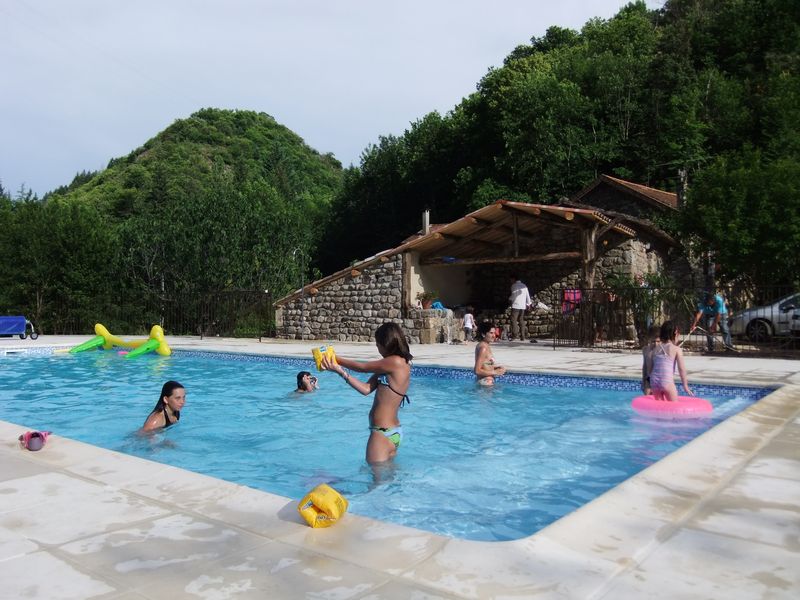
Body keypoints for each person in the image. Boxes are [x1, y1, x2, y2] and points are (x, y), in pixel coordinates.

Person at [319, 322, 412, 464]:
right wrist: (340, 372)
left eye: (377, 344)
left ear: (385, 343)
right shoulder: (390, 367)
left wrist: (335, 359)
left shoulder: (395, 362)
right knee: (386, 480)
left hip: (382, 433)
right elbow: (366, 389)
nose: (377, 347)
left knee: (375, 483)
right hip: (391, 432)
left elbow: (363, 367)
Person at [647, 321, 692, 402]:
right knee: (674, 408)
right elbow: (682, 369)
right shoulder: (676, 349)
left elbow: (650, 369)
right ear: (675, 333)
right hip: (666, 381)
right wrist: (685, 386)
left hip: (654, 382)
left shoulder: (654, 350)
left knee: (660, 409)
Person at [473, 321, 507, 386]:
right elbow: (477, 370)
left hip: (486, 383)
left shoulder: (485, 345)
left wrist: (496, 367)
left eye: (494, 333)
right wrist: (495, 372)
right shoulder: (483, 348)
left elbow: (484, 364)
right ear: (483, 334)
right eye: (491, 333)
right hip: (485, 383)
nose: (494, 335)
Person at [509, 275, 532, 340]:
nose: (510, 281)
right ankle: (523, 336)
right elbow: (528, 296)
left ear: (513, 279)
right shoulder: (524, 286)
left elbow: (513, 295)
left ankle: (515, 335)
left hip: (516, 305)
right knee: (521, 320)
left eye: (511, 279)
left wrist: (509, 299)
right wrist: (528, 304)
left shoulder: (514, 286)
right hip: (522, 306)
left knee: (513, 320)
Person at [641, 325, 660, 394]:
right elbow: (644, 367)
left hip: (659, 380)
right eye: (653, 341)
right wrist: (643, 381)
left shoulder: (662, 352)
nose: (656, 344)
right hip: (649, 379)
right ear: (649, 340)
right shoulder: (645, 350)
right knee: (647, 396)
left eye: (658, 341)